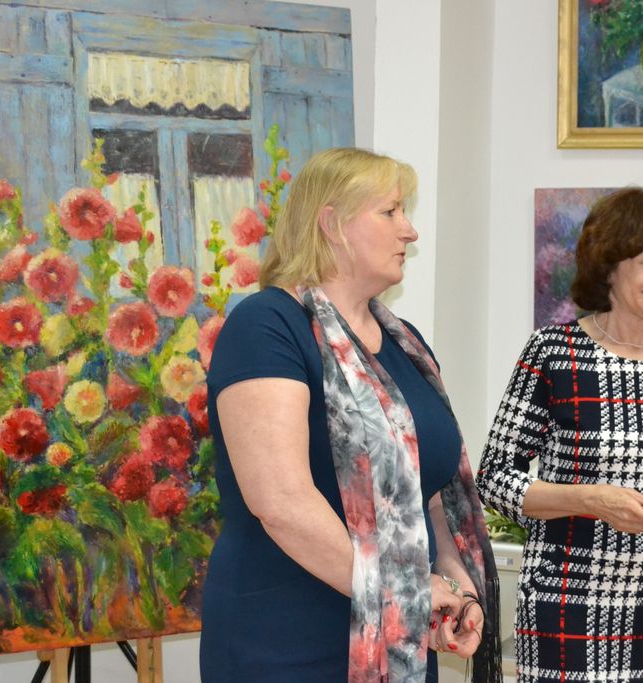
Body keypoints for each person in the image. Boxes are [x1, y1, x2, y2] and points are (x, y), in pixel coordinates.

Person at [200, 147, 501, 682]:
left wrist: (455, 589)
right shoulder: (267, 325)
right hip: (286, 643)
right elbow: (281, 503)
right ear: (332, 224)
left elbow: (432, 493)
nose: (409, 230)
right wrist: (405, 593)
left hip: (400, 645)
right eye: (390, 211)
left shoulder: (405, 343)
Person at [477, 188, 643, 683]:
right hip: (567, 606)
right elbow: (495, 478)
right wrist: (589, 500)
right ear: (609, 268)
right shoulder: (553, 352)